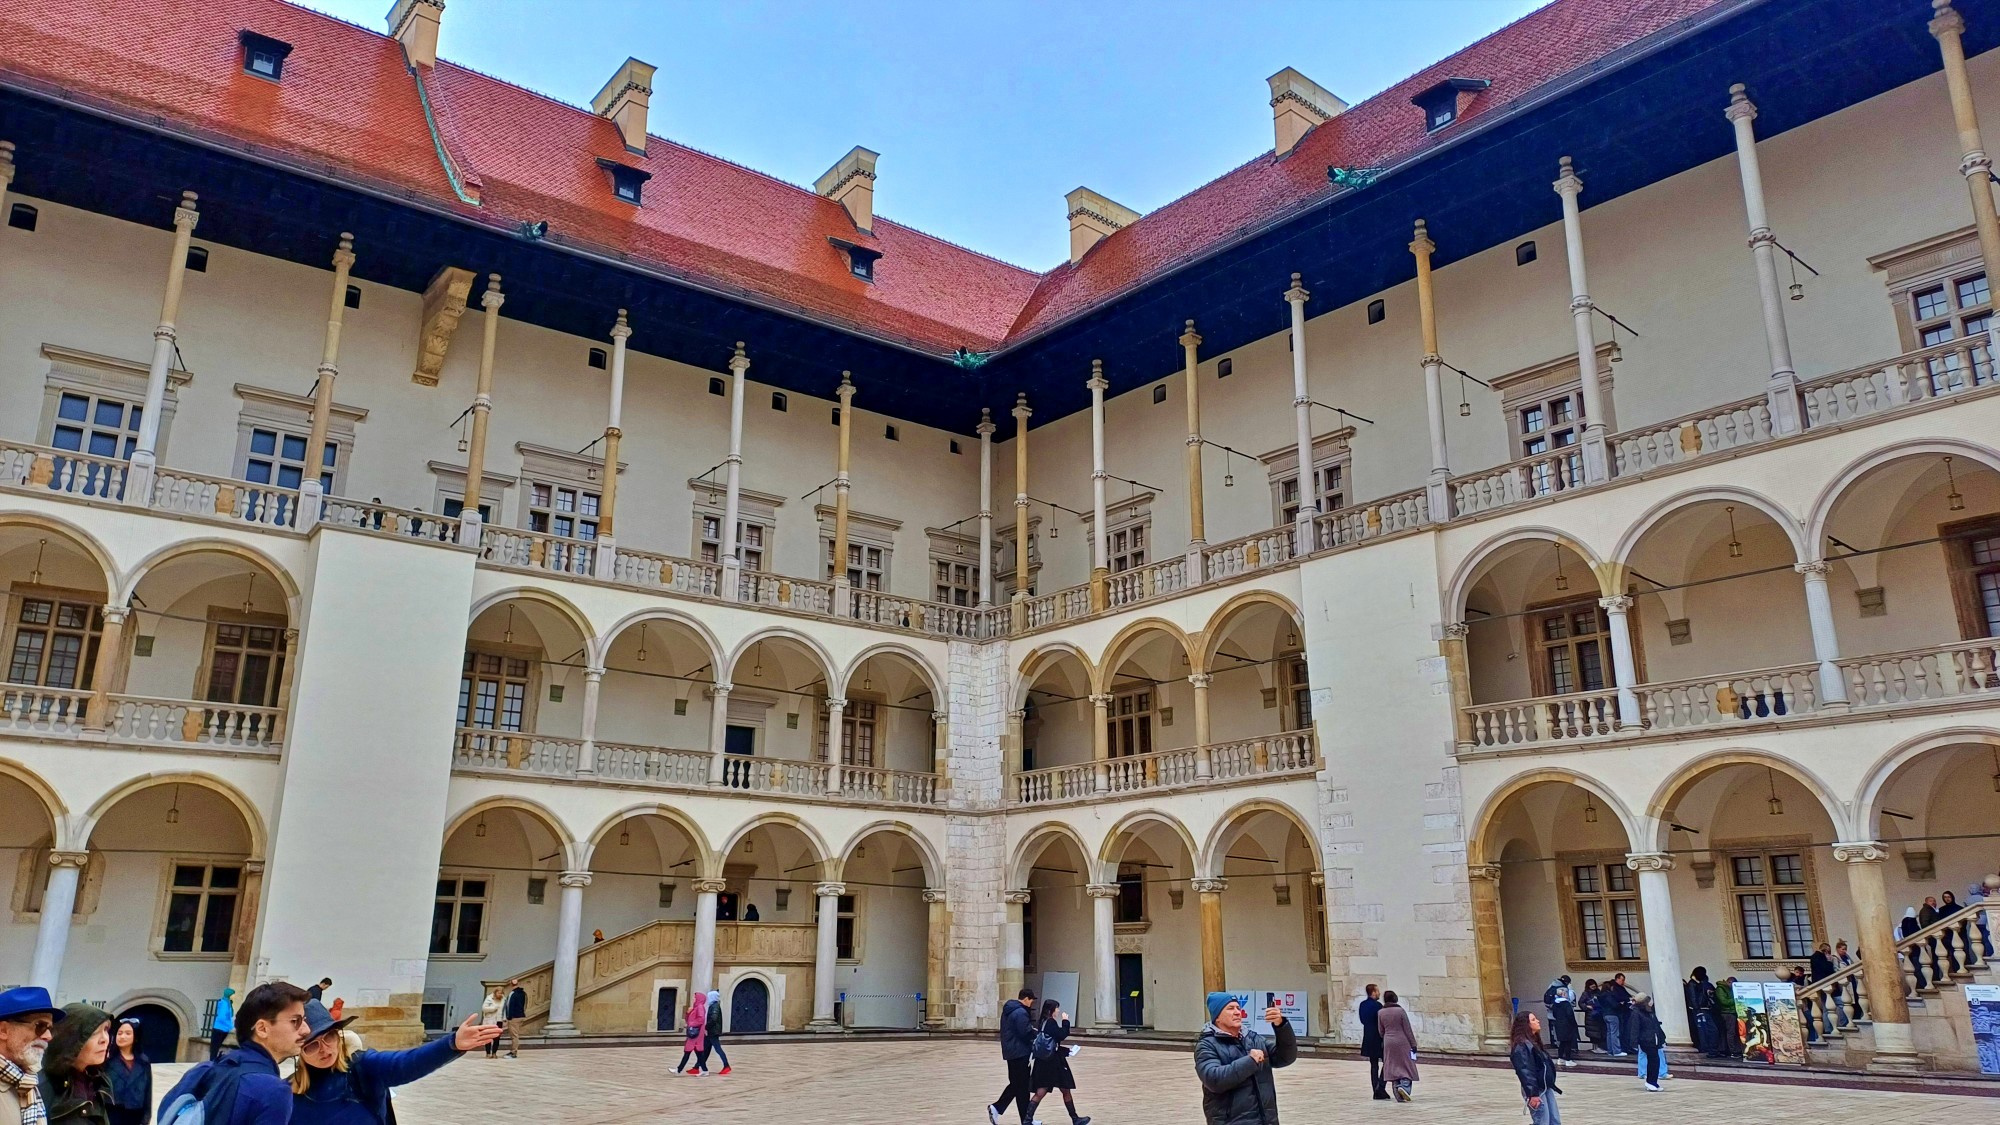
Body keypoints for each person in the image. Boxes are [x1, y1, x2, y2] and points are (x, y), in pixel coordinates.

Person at [289, 999, 497, 1124]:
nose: (325, 1049)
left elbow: (405, 1063)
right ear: (299, 1051)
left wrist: (451, 1044)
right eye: (312, 1045)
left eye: (330, 1037)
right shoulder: (288, 1093)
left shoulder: (363, 1068)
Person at [158, 980, 312, 1125]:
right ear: (262, 1029)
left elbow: (166, 1115)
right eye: (295, 1021)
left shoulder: (202, 1070)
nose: (306, 1030)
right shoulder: (274, 1091)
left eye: (304, 1020)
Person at [1194, 994, 1296, 1124]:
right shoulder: (1207, 1045)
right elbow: (1214, 1080)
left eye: (1238, 1008)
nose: (1237, 1012)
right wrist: (1250, 1061)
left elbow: (1285, 1057)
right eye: (1230, 1008)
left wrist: (1281, 1026)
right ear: (1217, 1016)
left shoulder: (1253, 1038)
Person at [37, 1003, 111, 1124]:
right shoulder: (43, 1088)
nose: (104, 1039)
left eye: (106, 1030)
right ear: (70, 1039)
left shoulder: (97, 1080)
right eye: (94, 1033)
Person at [0, 986, 62, 1125]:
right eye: (40, 1026)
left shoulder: (27, 1082)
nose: (48, 1036)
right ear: (3, 1030)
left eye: (50, 1028)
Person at [1024, 999, 1088, 1125]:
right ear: (1051, 1010)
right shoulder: (1051, 1022)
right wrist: (1066, 1021)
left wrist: (1065, 1051)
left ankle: (1027, 1119)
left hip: (1043, 1061)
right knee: (1062, 1089)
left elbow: (1052, 1043)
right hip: (1053, 1063)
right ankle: (1075, 1119)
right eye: (1057, 1008)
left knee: (1044, 1090)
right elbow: (1062, 1035)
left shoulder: (1041, 1022)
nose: (1058, 1011)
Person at [988, 986, 1036, 1125]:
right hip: (1020, 1053)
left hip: (1011, 1052)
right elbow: (1025, 1032)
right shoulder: (1020, 1012)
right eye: (1031, 1000)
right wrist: (1037, 1036)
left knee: (1020, 1086)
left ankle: (1026, 1120)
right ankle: (997, 1107)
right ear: (1026, 999)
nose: (1031, 1003)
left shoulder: (1010, 1010)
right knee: (1020, 1085)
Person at [1508, 1011, 1561, 1125]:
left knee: (1554, 1120)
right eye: (1533, 1020)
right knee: (1543, 1121)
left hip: (1545, 1086)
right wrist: (1533, 1094)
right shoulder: (1521, 1046)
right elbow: (1525, 1071)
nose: (1537, 1021)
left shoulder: (1534, 1043)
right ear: (1525, 1025)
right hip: (1536, 1090)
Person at [103, 1019, 150, 1125]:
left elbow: (147, 1091)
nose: (122, 1036)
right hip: (111, 1113)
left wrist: (146, 1117)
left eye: (128, 1033)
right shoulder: (107, 1059)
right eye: (119, 1033)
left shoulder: (143, 1061)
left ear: (136, 1037)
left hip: (135, 1113)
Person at [1377, 990, 1418, 1102]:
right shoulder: (1400, 1011)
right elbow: (1407, 1029)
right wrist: (1413, 1044)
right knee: (1406, 1065)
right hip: (1402, 1040)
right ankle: (1404, 1086)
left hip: (1388, 1041)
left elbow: (1381, 1031)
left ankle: (1397, 1093)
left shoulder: (1380, 1012)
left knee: (1392, 1065)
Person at [1627, 991, 1664, 1092]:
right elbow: (1634, 1028)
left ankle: (1654, 1082)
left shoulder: (1649, 1012)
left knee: (1655, 1061)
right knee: (1653, 1060)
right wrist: (1634, 1043)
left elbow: (1656, 1026)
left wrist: (1662, 1038)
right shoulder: (1636, 1013)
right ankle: (1650, 1082)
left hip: (1653, 1039)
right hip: (1645, 1040)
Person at [1358, 984, 1387, 1099]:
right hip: (1378, 1036)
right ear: (1373, 992)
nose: (1379, 993)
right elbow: (1381, 1021)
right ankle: (1380, 1087)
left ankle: (1375, 1088)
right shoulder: (1378, 1006)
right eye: (1378, 991)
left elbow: (1362, 1020)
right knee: (1387, 1062)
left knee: (1373, 1065)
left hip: (1368, 1036)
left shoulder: (1363, 1005)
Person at [1542, 976, 1577, 1067]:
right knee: (1568, 1042)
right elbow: (1570, 1015)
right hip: (1567, 1025)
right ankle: (1568, 1059)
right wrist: (1573, 1024)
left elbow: (1554, 1014)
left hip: (1558, 1024)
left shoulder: (1556, 1004)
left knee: (1561, 1042)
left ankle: (1560, 1058)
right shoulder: (1566, 1004)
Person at [696, 990, 730, 1076]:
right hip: (711, 1031)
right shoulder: (712, 1006)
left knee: (718, 1049)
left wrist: (706, 1027)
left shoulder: (715, 1006)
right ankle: (697, 1066)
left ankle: (726, 1066)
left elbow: (713, 1019)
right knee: (705, 1049)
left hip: (713, 1032)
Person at [1808, 944, 1838, 1039]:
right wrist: (1829, 962)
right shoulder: (1819, 958)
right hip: (1823, 985)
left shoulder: (1814, 957)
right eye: (1828, 951)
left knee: (1827, 1008)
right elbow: (1827, 969)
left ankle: (1829, 1027)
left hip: (1820, 984)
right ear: (1825, 950)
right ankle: (1828, 1028)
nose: (1829, 953)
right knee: (1826, 1008)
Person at [674, 992, 706, 1076]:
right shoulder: (695, 1008)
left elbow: (701, 1019)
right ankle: (705, 1070)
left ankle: (678, 1070)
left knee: (688, 1052)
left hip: (696, 1034)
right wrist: (688, 1013)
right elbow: (688, 1020)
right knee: (699, 1053)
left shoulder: (700, 1007)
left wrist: (691, 1024)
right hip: (694, 1033)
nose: (693, 999)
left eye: (694, 998)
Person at [1600, 974, 1630, 1057]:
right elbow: (1614, 1005)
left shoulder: (1601, 995)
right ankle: (1616, 1051)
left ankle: (1610, 1050)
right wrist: (1621, 1003)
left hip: (1605, 1015)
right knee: (1614, 1033)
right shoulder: (1608, 995)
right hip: (1612, 1014)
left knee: (1609, 1033)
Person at [478, 986, 505, 1060]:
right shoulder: (489, 998)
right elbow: (484, 1008)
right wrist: (493, 1008)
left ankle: (494, 1053)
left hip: (499, 1020)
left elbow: (504, 1009)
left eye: (501, 993)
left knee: (497, 1038)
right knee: (489, 1037)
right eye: (498, 993)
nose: (500, 994)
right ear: (495, 992)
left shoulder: (503, 999)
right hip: (490, 1021)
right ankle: (488, 1053)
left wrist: (504, 1018)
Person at [209, 988, 237, 1060]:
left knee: (216, 1047)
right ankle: (212, 1063)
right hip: (219, 1028)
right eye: (233, 994)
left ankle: (213, 1062)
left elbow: (229, 1016)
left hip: (224, 1029)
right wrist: (231, 1026)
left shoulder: (228, 1003)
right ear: (229, 995)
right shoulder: (224, 1003)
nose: (234, 996)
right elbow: (222, 1017)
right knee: (214, 1048)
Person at [502, 981, 525, 1059]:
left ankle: (513, 1052)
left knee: (514, 1036)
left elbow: (509, 1005)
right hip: (521, 1015)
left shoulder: (512, 994)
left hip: (514, 1017)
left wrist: (508, 1017)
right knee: (515, 1035)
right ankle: (513, 1051)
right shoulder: (522, 993)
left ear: (510, 985)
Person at [1579, 980, 1604, 1053]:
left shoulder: (1598, 992)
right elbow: (1581, 1003)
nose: (1594, 987)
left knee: (1598, 1031)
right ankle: (1596, 1048)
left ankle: (1598, 1047)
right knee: (1593, 1032)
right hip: (1591, 1015)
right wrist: (1587, 1007)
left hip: (1598, 1014)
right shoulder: (1586, 993)